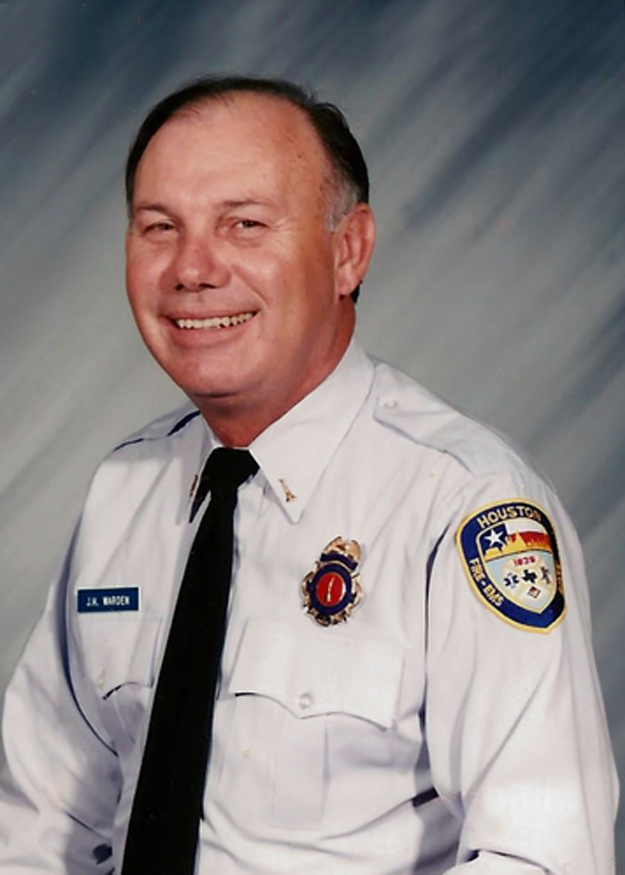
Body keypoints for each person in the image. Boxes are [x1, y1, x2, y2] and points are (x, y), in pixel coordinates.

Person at [0, 75, 617, 874]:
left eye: (244, 224)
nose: (192, 268)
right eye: (159, 227)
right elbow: (36, 824)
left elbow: (543, 856)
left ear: (346, 251)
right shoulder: (125, 491)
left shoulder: (465, 504)